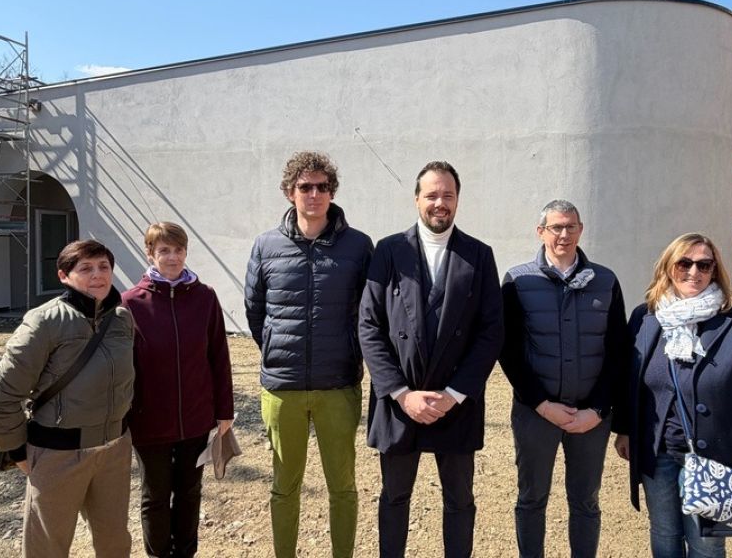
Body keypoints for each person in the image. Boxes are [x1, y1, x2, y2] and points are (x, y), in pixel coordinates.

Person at [359, 161, 504, 558]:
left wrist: (454, 394)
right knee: (394, 497)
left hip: (455, 402)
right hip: (399, 403)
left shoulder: (479, 255)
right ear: (416, 199)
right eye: (432, 195)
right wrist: (402, 393)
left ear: (457, 200)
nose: (440, 203)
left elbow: (491, 331)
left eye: (448, 195)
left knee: (460, 500)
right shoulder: (389, 251)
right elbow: (369, 325)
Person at [612, 233, 732, 557]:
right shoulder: (645, 317)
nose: (694, 272)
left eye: (704, 265)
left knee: (706, 544)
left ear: (715, 270)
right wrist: (624, 429)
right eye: (684, 263)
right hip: (658, 453)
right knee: (664, 534)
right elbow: (629, 379)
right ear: (668, 267)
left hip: (717, 458)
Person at [244, 151, 373, 558]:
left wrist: (352, 354)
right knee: (284, 486)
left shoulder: (358, 246)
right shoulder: (266, 245)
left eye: (322, 186)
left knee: (343, 486)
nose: (314, 194)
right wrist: (277, 349)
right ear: (290, 192)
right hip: (283, 388)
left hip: (338, 384)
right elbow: (255, 309)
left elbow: (369, 311)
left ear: (332, 192)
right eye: (305, 187)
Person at [499, 199, 627, 558]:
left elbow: (618, 351)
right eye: (556, 227)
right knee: (531, 498)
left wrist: (598, 410)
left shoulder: (605, 281)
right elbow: (508, 351)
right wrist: (541, 404)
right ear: (541, 232)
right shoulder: (517, 280)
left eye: (571, 226)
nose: (564, 234)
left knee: (586, 501)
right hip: (535, 414)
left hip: (590, 418)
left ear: (581, 230)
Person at [0, 239, 134, 557]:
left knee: (115, 543)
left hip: (114, 451)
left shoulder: (122, 318)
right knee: (47, 548)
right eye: (85, 268)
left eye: (104, 266)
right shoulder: (45, 322)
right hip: (57, 455)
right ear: (63, 275)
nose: (97, 274)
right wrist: (17, 451)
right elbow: (2, 395)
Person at [122, 222, 234, 558]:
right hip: (149, 422)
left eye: (179, 250)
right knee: (155, 496)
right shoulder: (130, 303)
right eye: (164, 250)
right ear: (150, 253)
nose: (172, 257)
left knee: (189, 492)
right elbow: (123, 369)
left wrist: (224, 411)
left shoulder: (205, 298)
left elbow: (218, 357)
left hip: (196, 419)